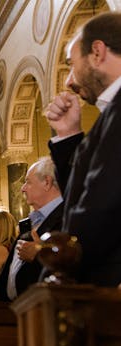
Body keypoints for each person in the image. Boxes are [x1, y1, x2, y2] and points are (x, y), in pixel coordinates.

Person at [44, 12, 121, 286]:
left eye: (71, 64)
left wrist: (54, 274)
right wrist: (68, 136)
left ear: (97, 52)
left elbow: (103, 205)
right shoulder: (111, 113)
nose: (68, 81)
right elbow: (80, 196)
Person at [0, 157, 64, 301]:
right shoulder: (30, 222)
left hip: (46, 310)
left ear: (47, 182)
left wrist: (40, 254)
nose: (23, 188)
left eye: (28, 182)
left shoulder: (65, 217)